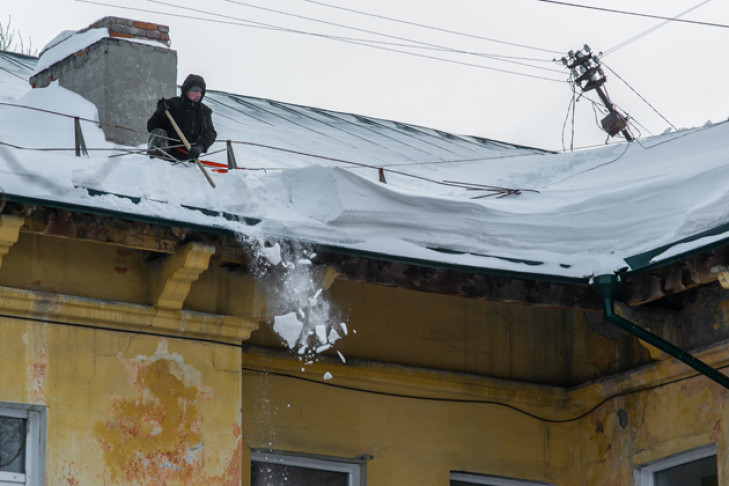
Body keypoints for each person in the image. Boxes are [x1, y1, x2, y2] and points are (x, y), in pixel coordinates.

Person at [147, 74, 217, 161]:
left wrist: (200, 147)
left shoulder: (204, 112)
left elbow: (210, 133)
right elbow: (151, 127)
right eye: (195, 90)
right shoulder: (171, 105)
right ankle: (156, 165)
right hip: (166, 155)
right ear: (186, 90)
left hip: (189, 156)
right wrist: (159, 112)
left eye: (201, 92)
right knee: (159, 132)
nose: (198, 94)